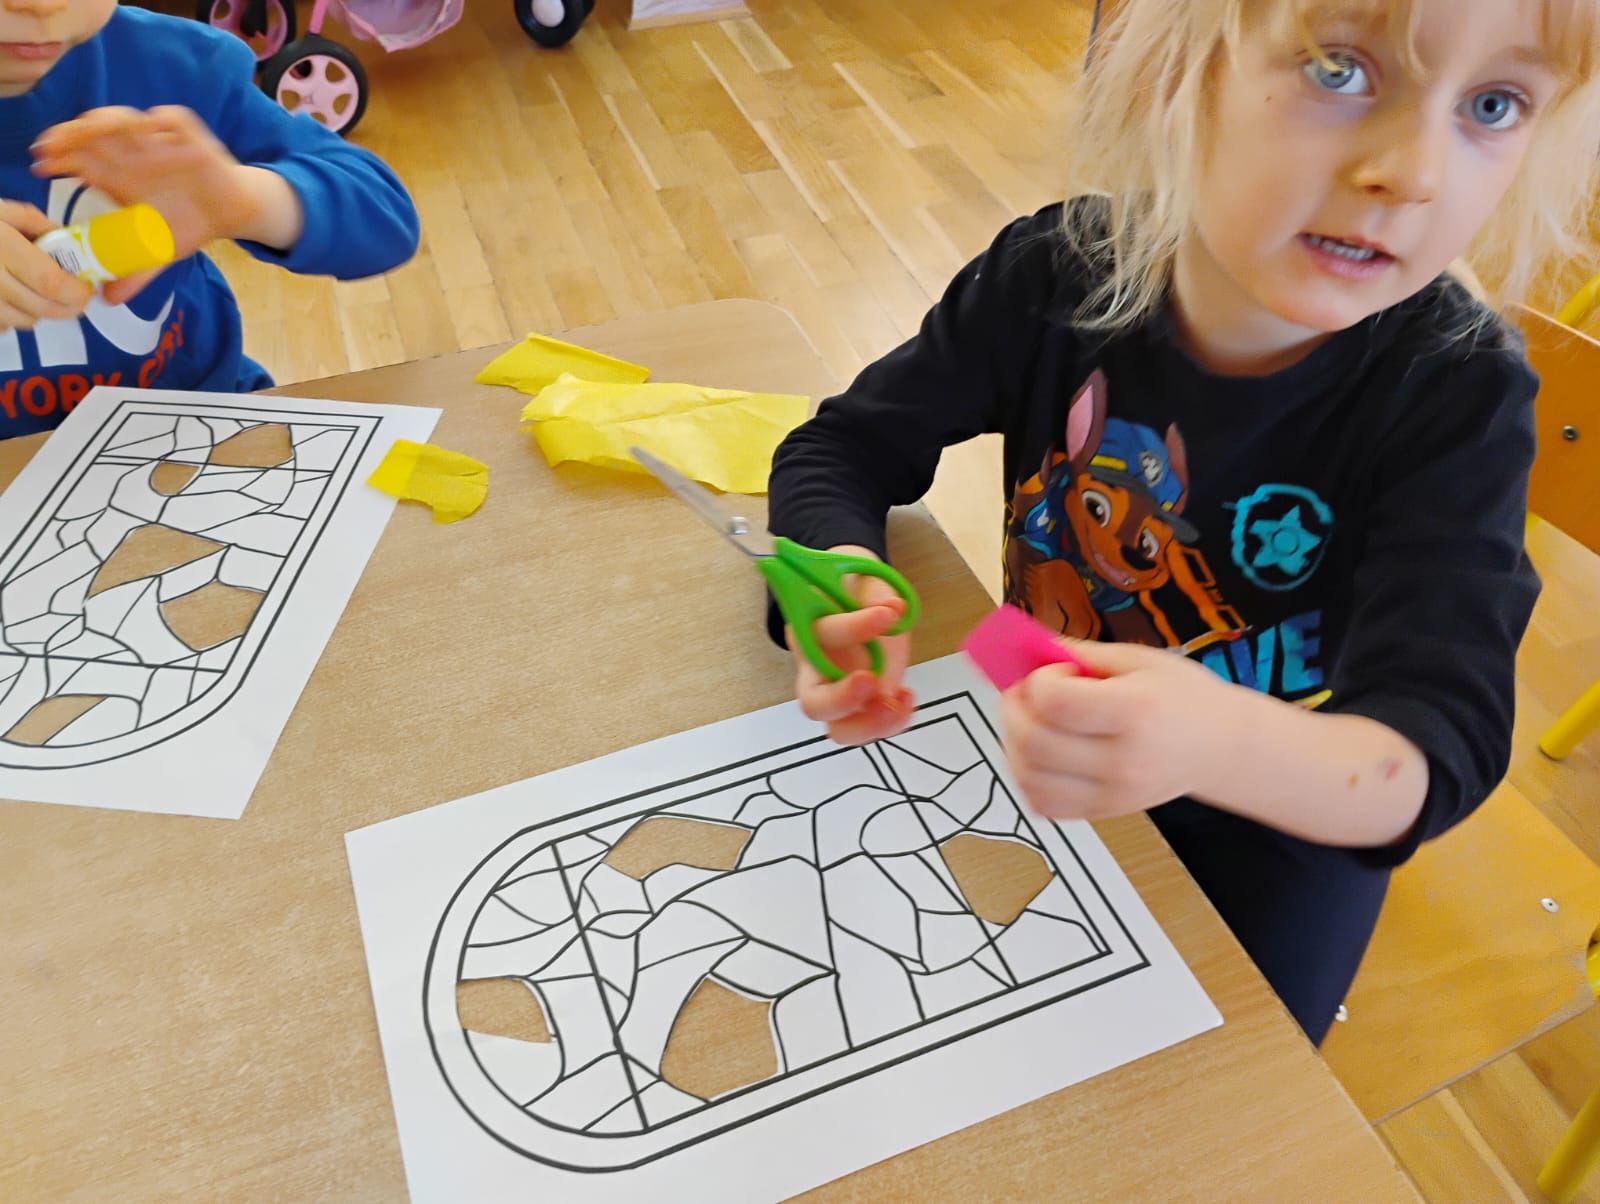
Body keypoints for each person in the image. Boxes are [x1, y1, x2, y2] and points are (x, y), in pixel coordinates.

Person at [765, 0, 1600, 1042]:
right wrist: (840, 576)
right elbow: (840, 449)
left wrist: (1217, 743)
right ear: (1176, 66)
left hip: (1276, 823)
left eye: (1494, 103)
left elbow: (1440, 746)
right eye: (1338, 68)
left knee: (1226, 1084)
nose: (1416, 173)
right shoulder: (1051, 276)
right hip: (1032, 737)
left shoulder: (1457, 396)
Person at [0, 0, 420, 436]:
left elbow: (384, 215)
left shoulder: (177, 65)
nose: (40, 5)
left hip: (200, 418)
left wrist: (241, 200)